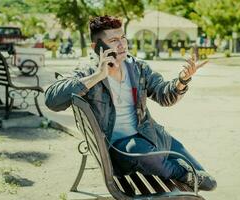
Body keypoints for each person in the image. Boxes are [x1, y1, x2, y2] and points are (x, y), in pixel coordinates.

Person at [45, 15, 217, 191]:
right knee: (146, 153)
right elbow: (52, 100)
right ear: (97, 47)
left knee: (209, 182)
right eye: (113, 40)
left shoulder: (137, 67)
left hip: (153, 137)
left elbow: (163, 96)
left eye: (123, 38)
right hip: (124, 150)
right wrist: (98, 76)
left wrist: (182, 81)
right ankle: (179, 172)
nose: (122, 45)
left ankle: (174, 167)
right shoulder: (88, 71)